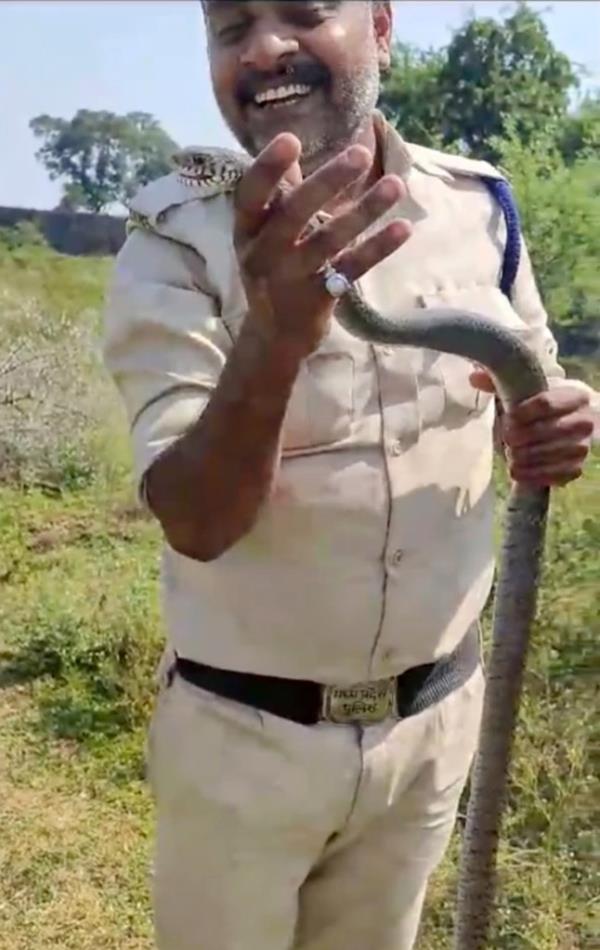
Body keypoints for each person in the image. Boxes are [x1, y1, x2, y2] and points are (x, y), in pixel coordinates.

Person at [102, 3, 598, 948]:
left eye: (303, 11)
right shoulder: (174, 239)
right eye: (231, 24)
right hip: (242, 744)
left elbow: (527, 388)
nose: (263, 48)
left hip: (432, 731)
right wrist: (275, 339)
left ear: (378, 26)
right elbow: (195, 519)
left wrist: (559, 419)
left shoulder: (478, 208)